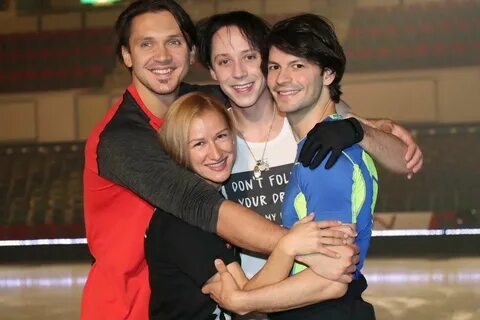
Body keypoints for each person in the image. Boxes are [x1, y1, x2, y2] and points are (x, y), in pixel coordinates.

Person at [82, 2, 359, 320]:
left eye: (173, 42)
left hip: (197, 294)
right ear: (127, 56)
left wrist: (357, 126)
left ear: (190, 52)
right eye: (146, 44)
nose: (162, 56)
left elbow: (295, 93)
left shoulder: (201, 104)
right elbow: (198, 203)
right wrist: (305, 247)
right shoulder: (120, 139)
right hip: (126, 308)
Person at [196, 11, 421, 319]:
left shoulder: (323, 145)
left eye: (250, 57)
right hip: (269, 300)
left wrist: (242, 301)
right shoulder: (212, 142)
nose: (239, 72)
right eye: (224, 61)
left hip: (305, 305)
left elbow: (333, 275)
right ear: (211, 70)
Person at [145, 92, 352, 320]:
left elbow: (246, 300)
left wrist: (329, 284)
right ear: (178, 151)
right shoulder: (181, 221)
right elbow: (249, 305)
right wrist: (287, 246)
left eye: (221, 136)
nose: (215, 153)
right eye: (199, 144)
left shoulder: (219, 202)